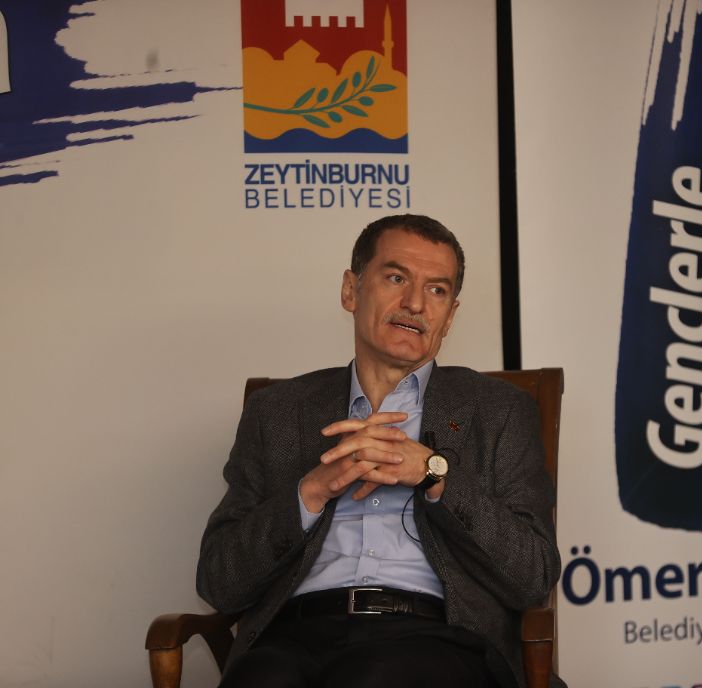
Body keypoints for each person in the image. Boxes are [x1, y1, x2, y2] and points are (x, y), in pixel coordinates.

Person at [197, 214, 563, 688]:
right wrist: (310, 493)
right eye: (396, 278)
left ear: (450, 315)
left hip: (436, 637)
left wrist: (433, 473)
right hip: (295, 635)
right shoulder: (278, 412)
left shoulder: (498, 410)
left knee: (371, 678)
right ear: (351, 290)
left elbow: (533, 576)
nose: (415, 303)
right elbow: (219, 583)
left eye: (436, 290)